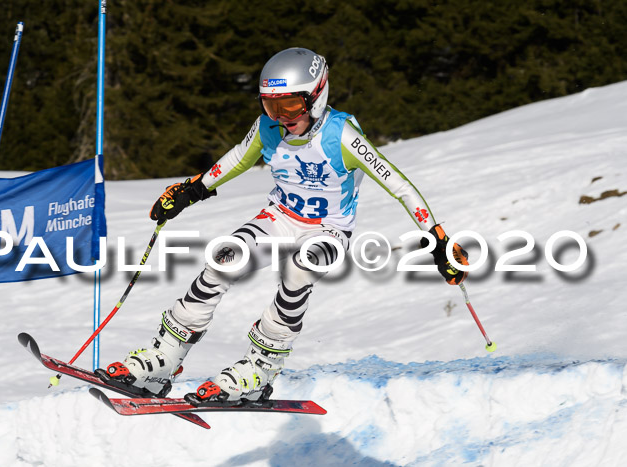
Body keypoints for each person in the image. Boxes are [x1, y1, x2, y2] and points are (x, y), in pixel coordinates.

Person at [103, 47, 468, 404]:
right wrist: (192, 190)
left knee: (298, 270)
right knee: (224, 259)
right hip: (279, 219)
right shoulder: (268, 129)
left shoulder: (342, 135)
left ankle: (260, 370)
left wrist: (437, 240)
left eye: (290, 106)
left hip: (328, 231)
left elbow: (400, 186)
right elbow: (235, 159)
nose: (281, 117)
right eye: (271, 106)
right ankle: (163, 360)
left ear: (316, 96)